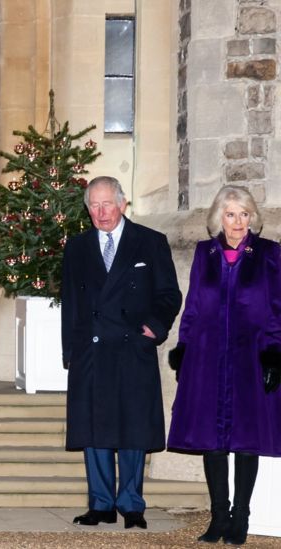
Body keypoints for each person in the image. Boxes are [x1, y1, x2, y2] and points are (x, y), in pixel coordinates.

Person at [60, 176, 182, 530]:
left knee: (133, 429)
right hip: (91, 352)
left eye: (107, 204)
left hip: (132, 349)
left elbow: (169, 295)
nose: (101, 213)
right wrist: (70, 350)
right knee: (94, 431)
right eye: (94, 205)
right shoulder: (77, 247)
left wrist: (154, 328)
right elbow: (71, 303)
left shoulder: (150, 242)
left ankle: (131, 504)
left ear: (122, 204)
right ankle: (100, 504)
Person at [166, 185, 281, 545]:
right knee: (212, 441)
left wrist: (275, 352)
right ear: (219, 217)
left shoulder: (269, 253)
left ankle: (241, 518)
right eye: (230, 214)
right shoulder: (205, 253)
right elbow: (195, 304)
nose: (237, 221)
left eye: (244, 214)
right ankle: (218, 516)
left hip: (251, 356)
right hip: (208, 354)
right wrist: (183, 346)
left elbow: (277, 308)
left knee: (247, 440)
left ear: (252, 217)